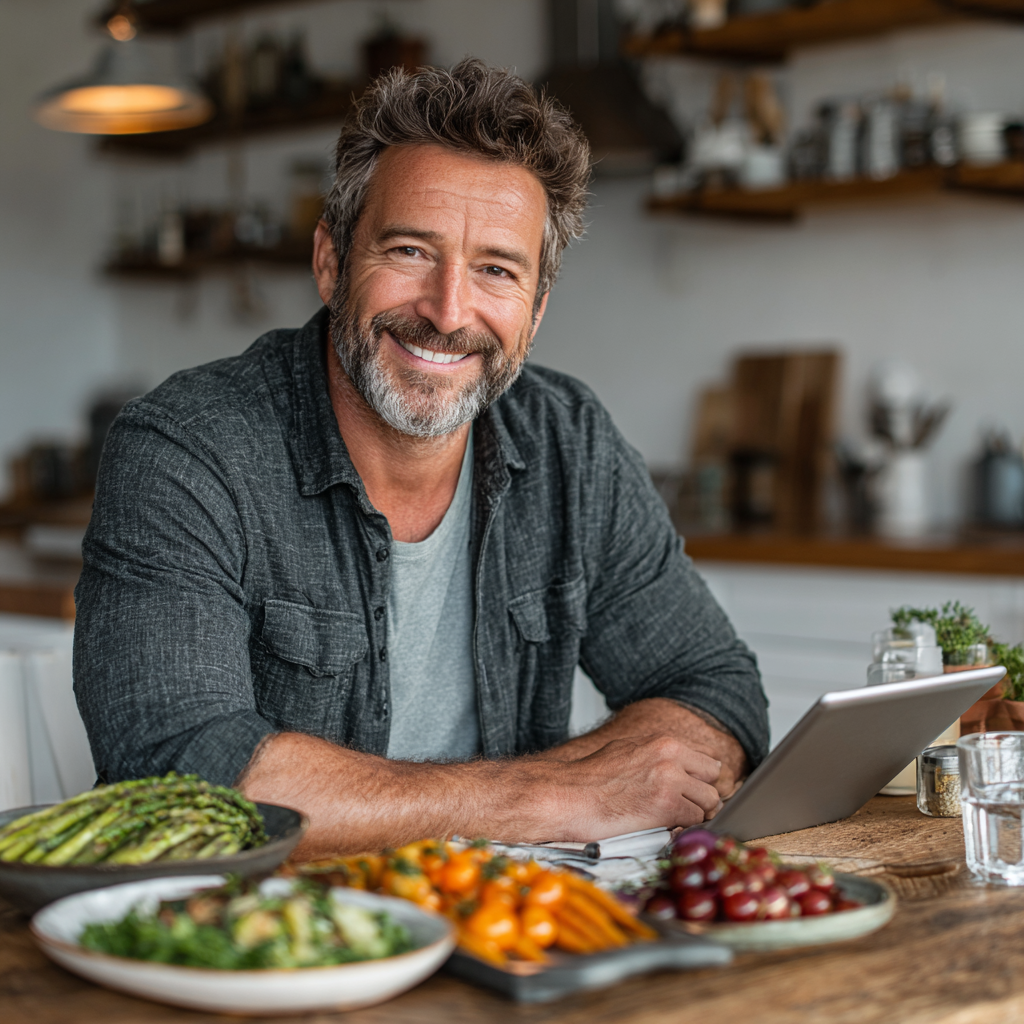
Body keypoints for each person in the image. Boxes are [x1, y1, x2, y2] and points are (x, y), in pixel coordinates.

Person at [74, 59, 768, 858]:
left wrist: (540, 793)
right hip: (266, 946)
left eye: (497, 271)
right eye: (409, 251)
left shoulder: (568, 441)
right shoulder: (187, 451)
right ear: (332, 262)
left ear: (535, 310)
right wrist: (554, 793)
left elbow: (719, 693)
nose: (447, 311)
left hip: (516, 935)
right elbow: (180, 778)